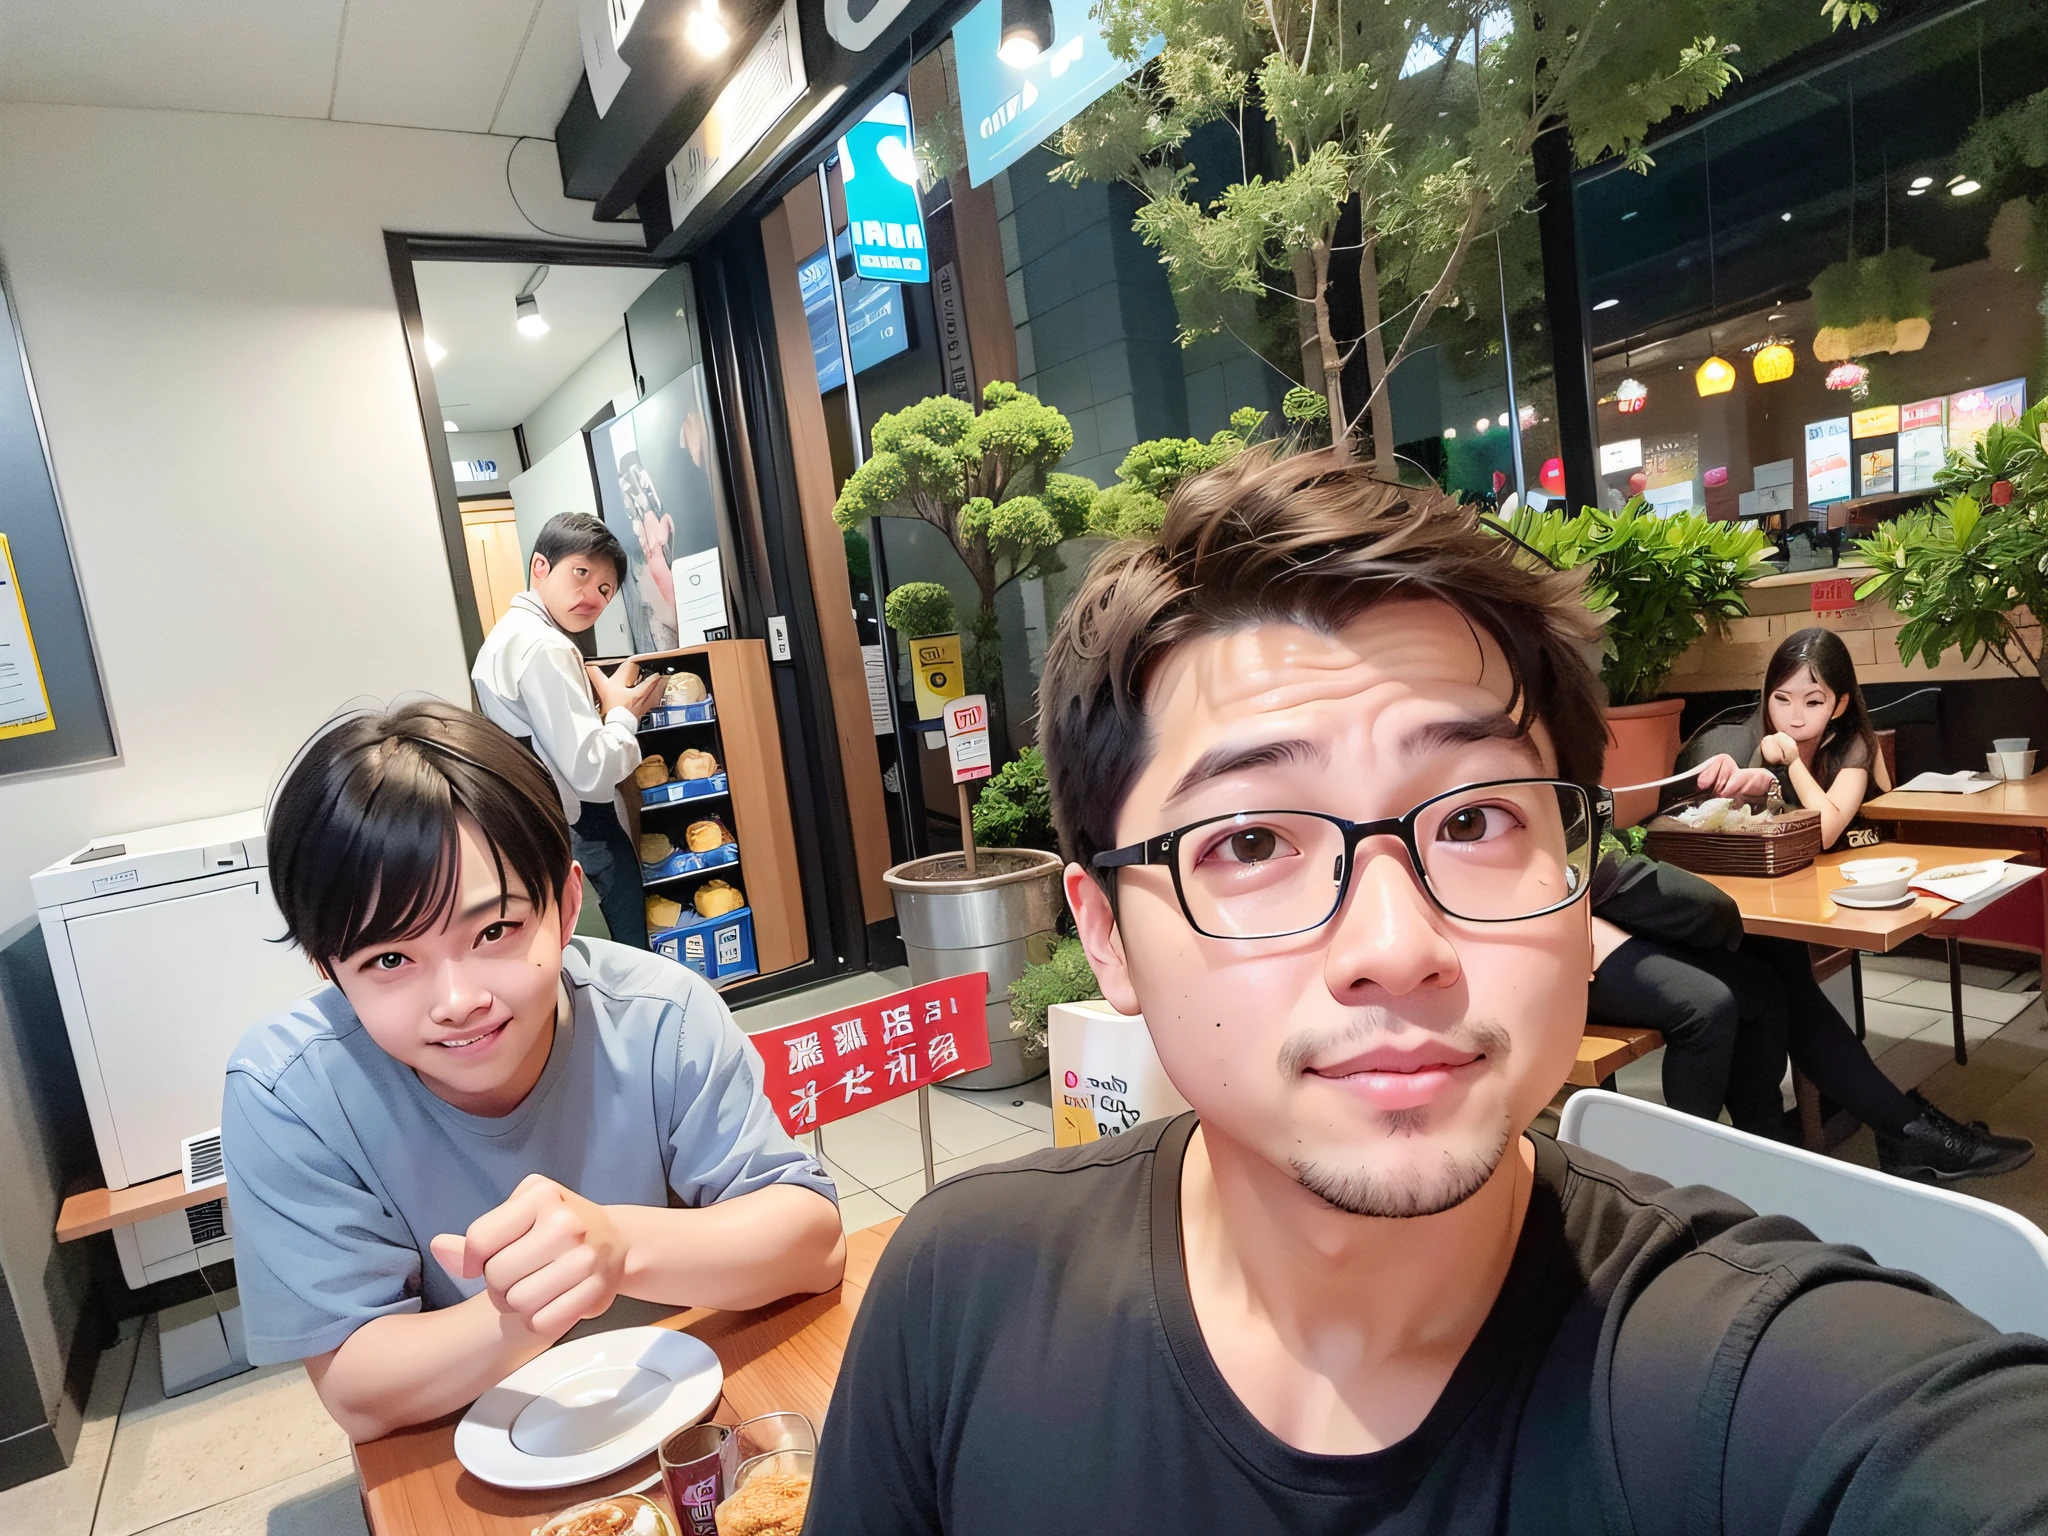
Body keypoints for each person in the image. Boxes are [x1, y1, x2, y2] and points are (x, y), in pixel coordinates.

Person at [807, 449, 2048, 1533]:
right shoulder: (957, 1302)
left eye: (1471, 817)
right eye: (1247, 842)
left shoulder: (1750, 1381)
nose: (1396, 946)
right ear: (1107, 936)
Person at [220, 702, 844, 1441]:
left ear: (566, 904)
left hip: (691, 1419)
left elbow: (814, 1240)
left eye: (495, 930)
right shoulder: (289, 1092)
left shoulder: (658, 1015)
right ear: (328, 967)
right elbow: (359, 1389)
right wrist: (530, 1304)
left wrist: (617, 1248)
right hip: (468, 1458)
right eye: (390, 959)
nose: (458, 1001)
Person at [1682, 626, 2033, 1181]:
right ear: (1766, 694)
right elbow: (1706, 832)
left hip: (1786, 910)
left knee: (1791, 997)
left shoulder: (1851, 744)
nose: (1795, 716)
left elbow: (1825, 829)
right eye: (1782, 699)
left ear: (1840, 702)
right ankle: (1910, 1132)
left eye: (1814, 701)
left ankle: (1893, 1133)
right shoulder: (1735, 744)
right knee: (1790, 996)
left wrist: (1792, 766)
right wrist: (1762, 775)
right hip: (1720, 916)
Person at [473, 511, 663, 949]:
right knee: (619, 963)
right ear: (541, 566)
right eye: (581, 573)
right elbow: (591, 770)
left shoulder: (505, 637)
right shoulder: (546, 646)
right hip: (582, 834)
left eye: (604, 589)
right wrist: (622, 714)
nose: (592, 596)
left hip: (539, 828)